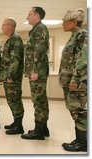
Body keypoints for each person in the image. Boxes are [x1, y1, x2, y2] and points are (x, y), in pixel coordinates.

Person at [59, 9, 87, 152]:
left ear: (74, 22)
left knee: (79, 111)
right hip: (69, 80)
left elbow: (82, 59)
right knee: (74, 110)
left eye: (65, 22)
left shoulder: (82, 35)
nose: (63, 24)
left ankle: (83, 143)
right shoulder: (74, 36)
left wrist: (75, 78)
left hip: (76, 81)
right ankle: (81, 139)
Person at [21, 6, 50, 140]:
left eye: (29, 14)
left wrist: (35, 70)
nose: (27, 17)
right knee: (41, 100)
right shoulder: (36, 29)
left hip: (37, 71)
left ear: (37, 16)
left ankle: (39, 131)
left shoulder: (39, 29)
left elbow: (39, 51)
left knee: (38, 101)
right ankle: (43, 128)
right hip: (37, 71)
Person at [0, 18, 24, 135]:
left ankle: (19, 126)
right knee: (11, 100)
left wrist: (10, 75)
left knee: (15, 100)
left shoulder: (15, 39)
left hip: (12, 78)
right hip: (9, 77)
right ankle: (16, 122)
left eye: (3, 25)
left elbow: (15, 59)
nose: (2, 27)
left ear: (10, 26)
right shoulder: (11, 39)